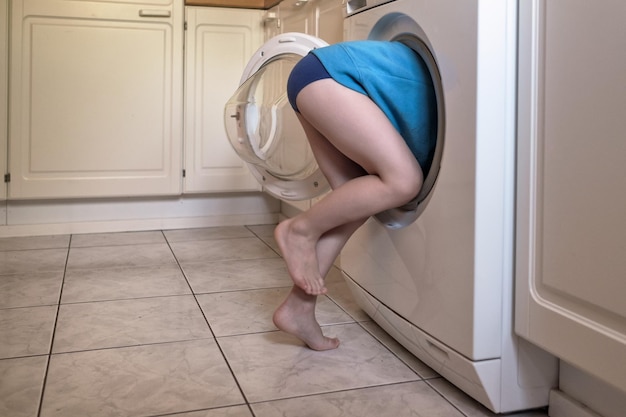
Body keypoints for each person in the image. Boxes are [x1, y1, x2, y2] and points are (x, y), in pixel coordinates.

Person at [272, 40, 437, 351]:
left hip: (318, 76)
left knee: (355, 201)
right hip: (333, 78)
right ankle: (298, 230)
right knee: (403, 181)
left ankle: (299, 309)